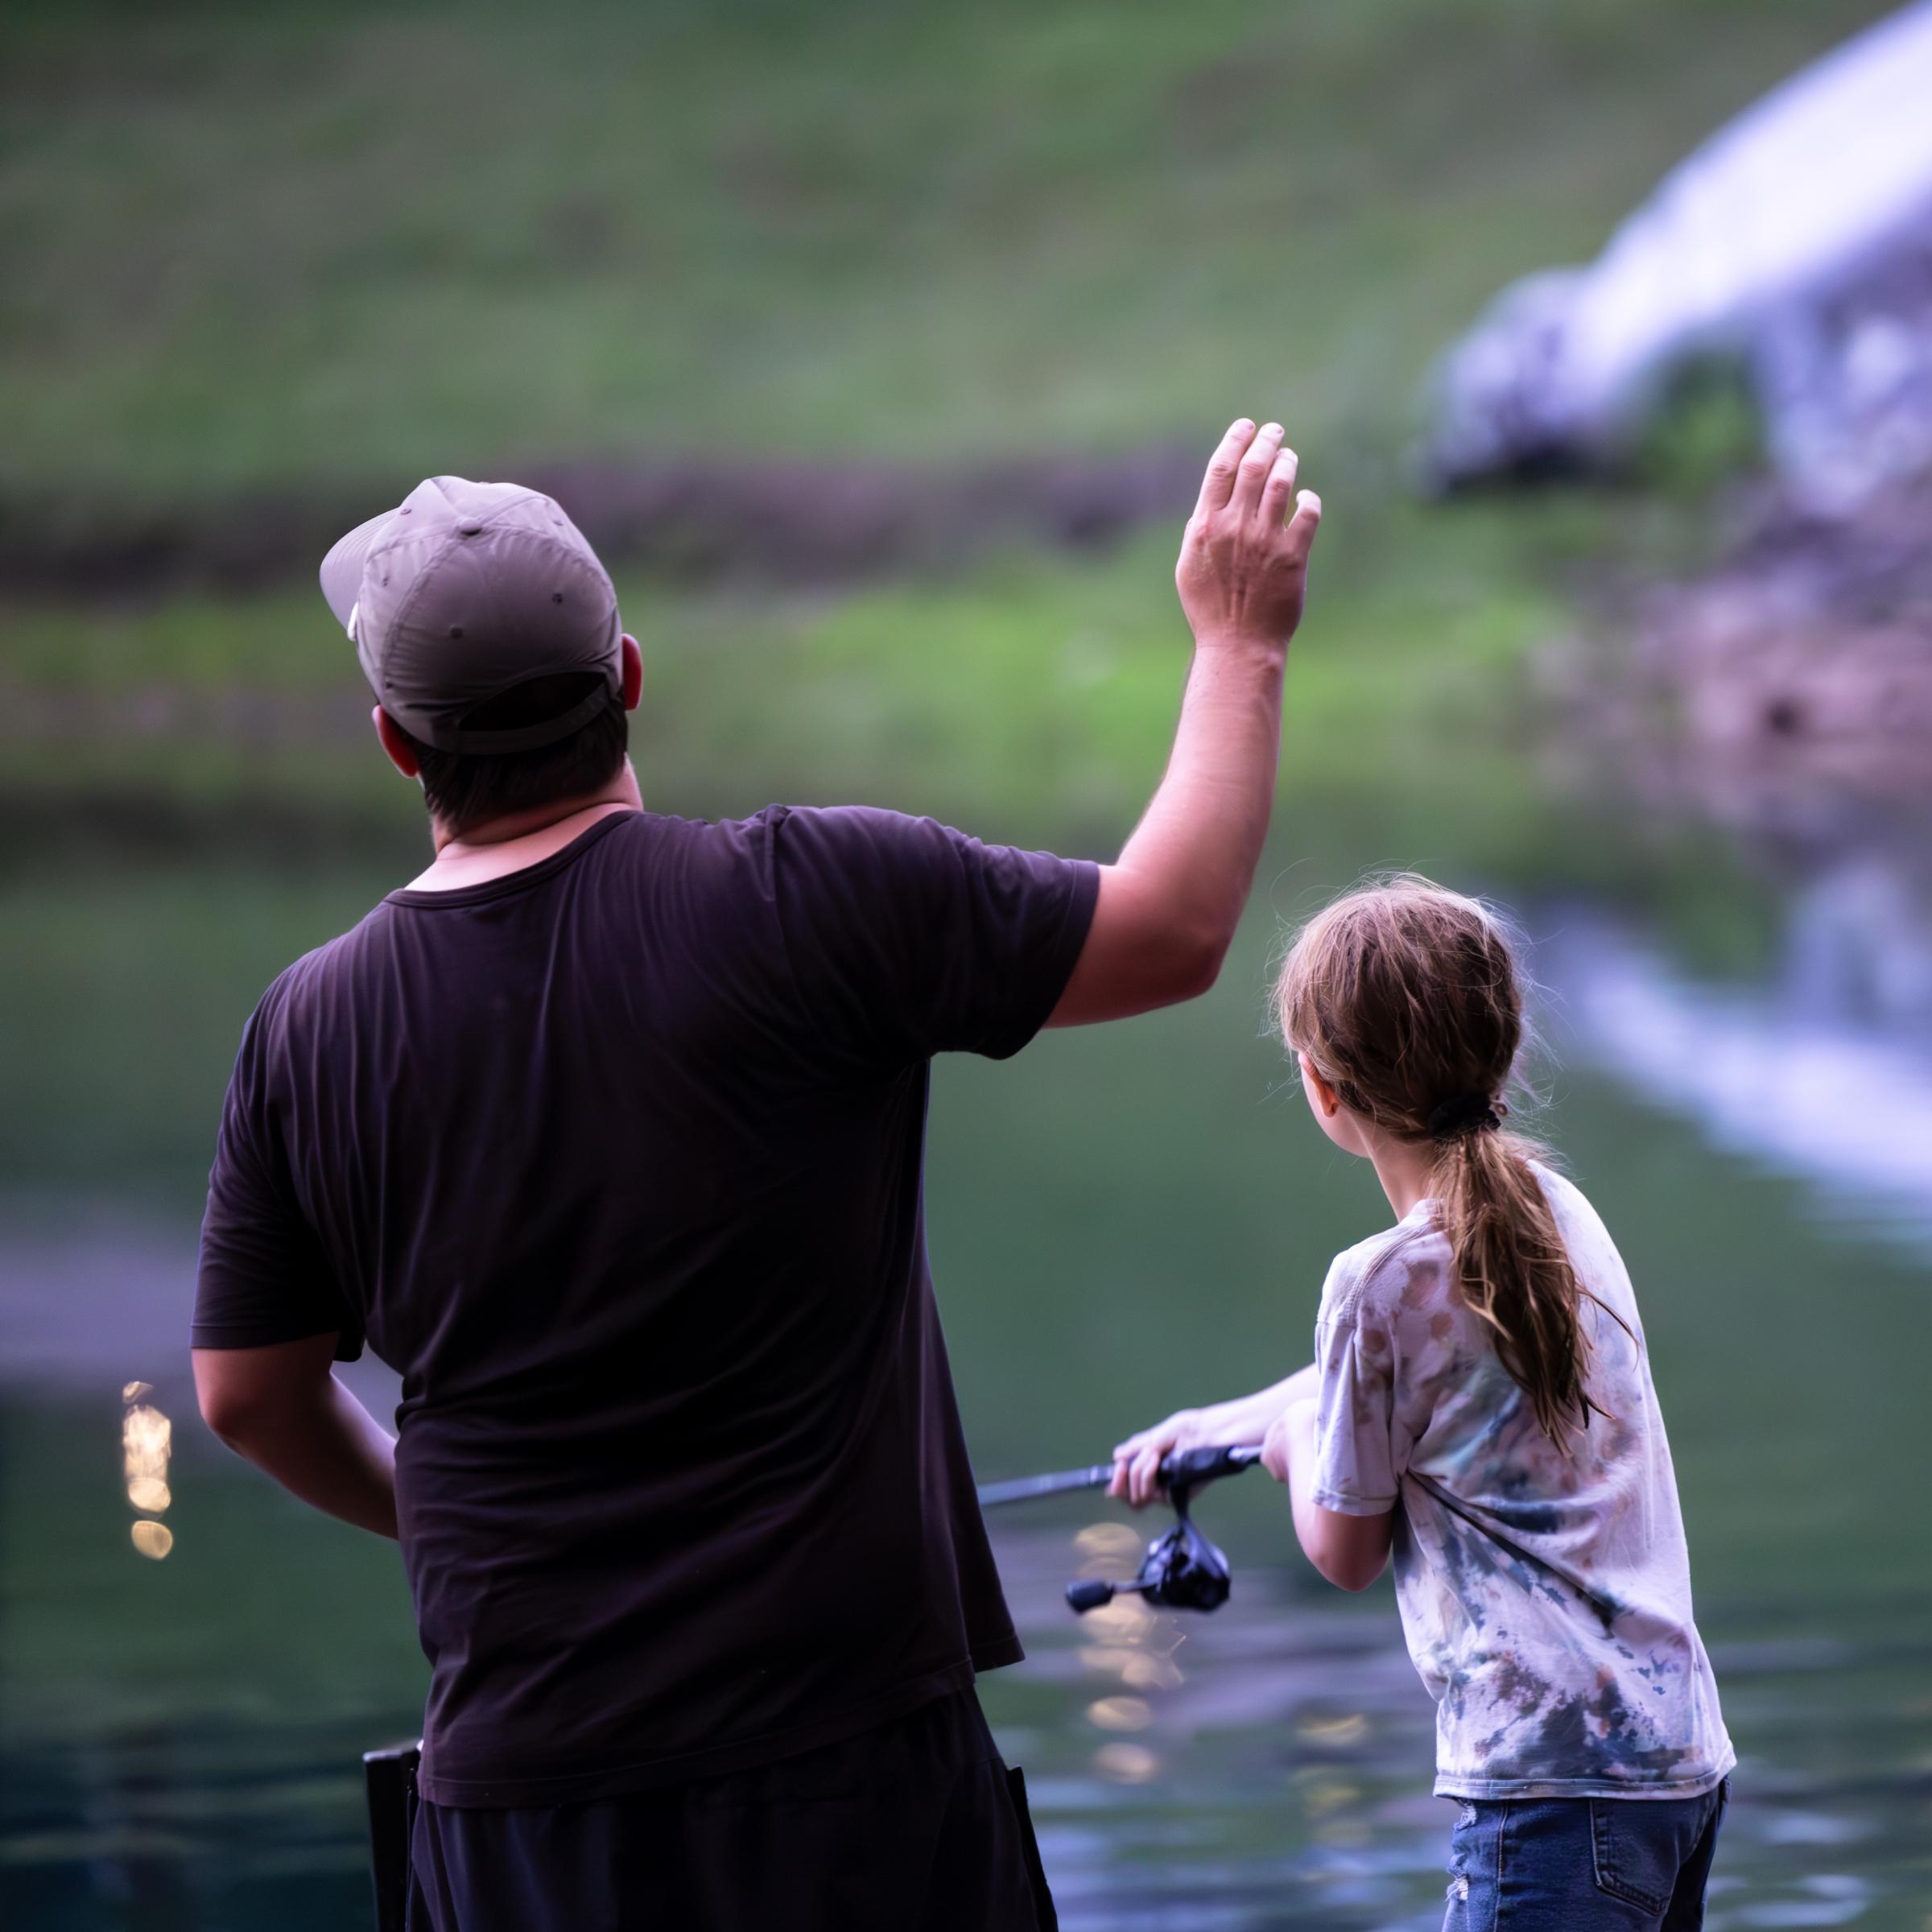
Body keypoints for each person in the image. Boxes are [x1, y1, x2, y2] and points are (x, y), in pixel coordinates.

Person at [190, 419, 1322, 1931]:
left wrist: (441, 1514)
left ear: (398, 742)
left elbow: (247, 1397)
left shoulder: (309, 1029)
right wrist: (1238, 642)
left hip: (527, 1809)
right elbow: (1173, 931)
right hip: (854, 1781)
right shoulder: (809, 901)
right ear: (631, 676)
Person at [1111, 877, 1735, 1930]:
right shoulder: (1555, 1212)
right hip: (1674, 1771)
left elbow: (1344, 1547)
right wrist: (1215, 1426)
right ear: (1501, 1043)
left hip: (1544, 1796)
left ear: (1324, 1087)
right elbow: (1429, 1381)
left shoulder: (1376, 1279)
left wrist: (1296, 1440)